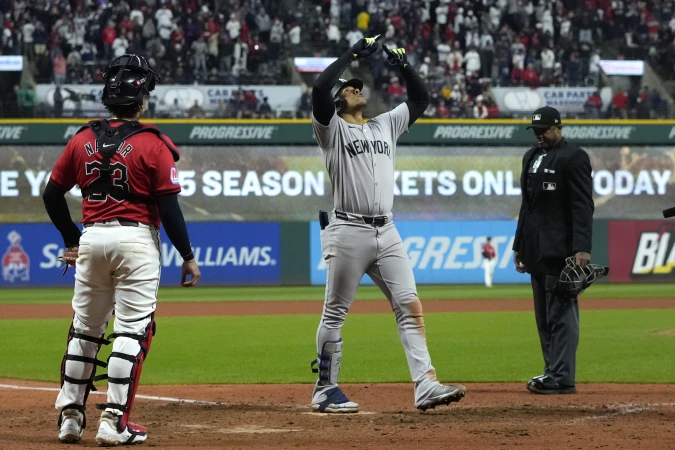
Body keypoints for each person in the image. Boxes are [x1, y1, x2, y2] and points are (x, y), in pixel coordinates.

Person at [43, 54, 201, 446]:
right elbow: (168, 205)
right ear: (142, 98)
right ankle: (113, 423)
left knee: (85, 328)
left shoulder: (82, 138)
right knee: (132, 329)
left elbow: (51, 193)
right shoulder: (152, 142)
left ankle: (70, 417)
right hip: (135, 239)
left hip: (92, 237)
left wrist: (71, 238)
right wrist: (187, 255)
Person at [310, 35, 466, 413]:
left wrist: (405, 66)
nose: (357, 90)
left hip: (388, 231)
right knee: (335, 311)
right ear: (339, 101)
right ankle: (325, 389)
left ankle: (425, 384)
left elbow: (420, 100)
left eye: (359, 87)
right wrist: (351, 55)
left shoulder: (385, 125)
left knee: (409, 305)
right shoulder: (332, 130)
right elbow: (319, 86)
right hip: (348, 229)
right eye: (350, 88)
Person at [513, 106, 594, 395]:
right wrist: (518, 245)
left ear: (558, 128)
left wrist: (582, 247)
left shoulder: (574, 157)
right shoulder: (531, 157)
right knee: (544, 317)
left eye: (544, 130)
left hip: (560, 250)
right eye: (535, 131)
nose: (539, 136)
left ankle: (562, 376)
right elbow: (527, 206)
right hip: (535, 247)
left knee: (561, 314)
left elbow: (583, 205)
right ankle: (552, 372)